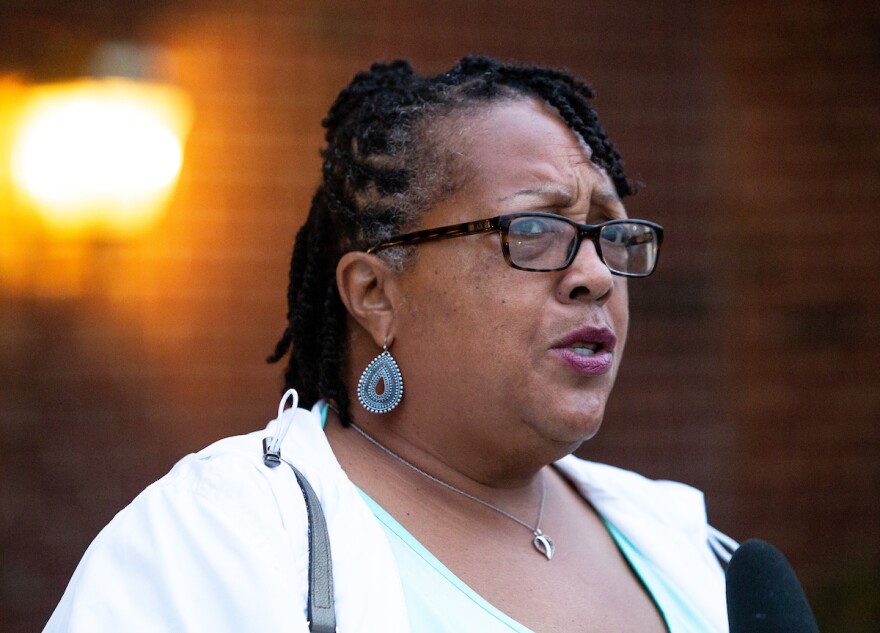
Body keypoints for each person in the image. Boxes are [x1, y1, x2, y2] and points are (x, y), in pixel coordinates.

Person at [44, 56, 737, 633]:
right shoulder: (210, 546)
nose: (593, 275)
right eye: (533, 229)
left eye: (612, 233)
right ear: (375, 294)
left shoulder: (685, 544)